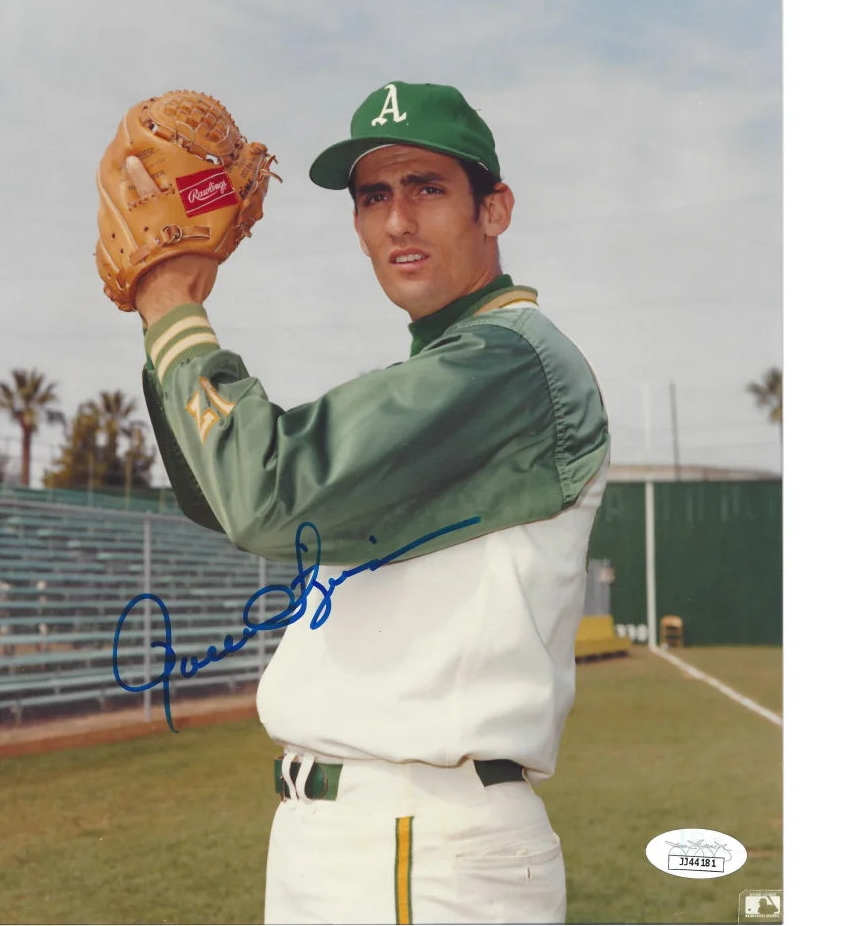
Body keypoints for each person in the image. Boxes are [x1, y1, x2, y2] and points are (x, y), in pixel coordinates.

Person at [134, 80, 610, 924]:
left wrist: (175, 308)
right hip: (360, 838)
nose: (396, 220)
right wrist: (166, 321)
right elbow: (222, 498)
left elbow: (264, 497)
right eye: (373, 196)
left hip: (420, 839)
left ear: (494, 209)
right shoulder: (444, 369)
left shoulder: (508, 365)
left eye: (427, 188)